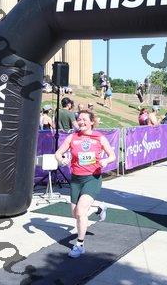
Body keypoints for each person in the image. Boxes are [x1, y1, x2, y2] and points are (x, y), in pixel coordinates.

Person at [54, 110, 116, 258]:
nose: (81, 122)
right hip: (76, 180)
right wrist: (62, 160)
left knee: (81, 211)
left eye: (84, 119)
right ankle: (98, 209)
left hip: (92, 179)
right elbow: (58, 153)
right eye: (79, 119)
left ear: (92, 122)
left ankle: (79, 245)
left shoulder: (99, 137)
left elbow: (112, 155)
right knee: (75, 214)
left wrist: (106, 161)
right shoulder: (72, 137)